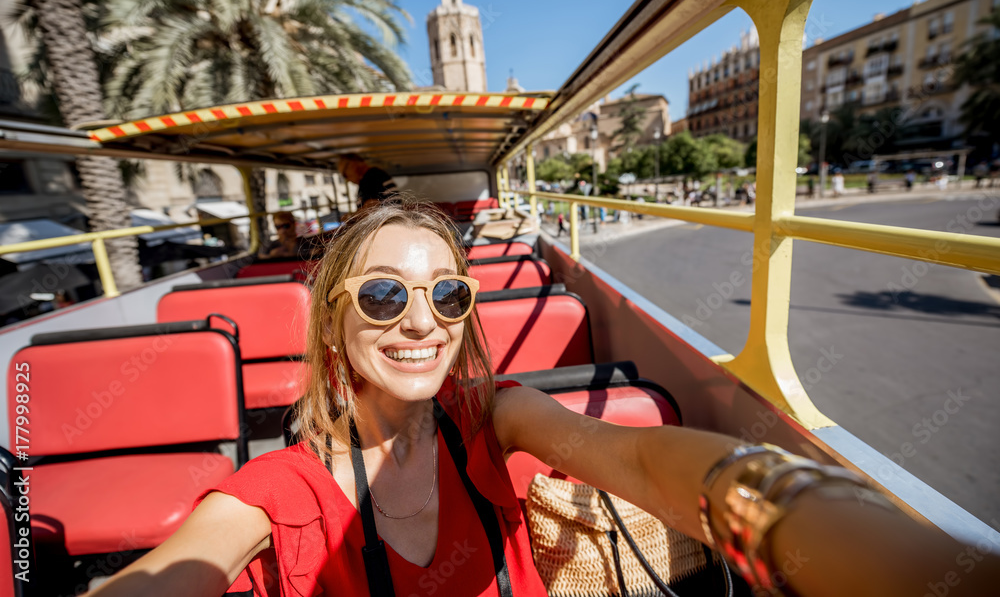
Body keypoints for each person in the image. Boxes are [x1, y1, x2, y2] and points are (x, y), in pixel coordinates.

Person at [90, 199, 1000, 597]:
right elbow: (167, 573)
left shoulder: (495, 415)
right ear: (333, 324)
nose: (422, 322)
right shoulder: (277, 493)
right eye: (382, 295)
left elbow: (639, 457)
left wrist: (791, 511)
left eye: (449, 294)